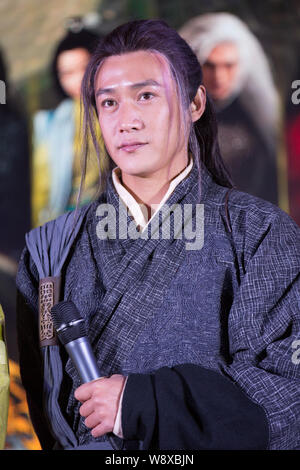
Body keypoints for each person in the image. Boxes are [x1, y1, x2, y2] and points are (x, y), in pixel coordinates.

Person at [16, 19, 300, 451]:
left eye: (146, 95)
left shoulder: (259, 233)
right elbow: (49, 406)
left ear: (195, 103)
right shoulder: (49, 253)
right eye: (108, 103)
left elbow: (286, 392)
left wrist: (142, 402)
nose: (126, 120)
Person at [179, 13, 286, 207]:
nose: (219, 77)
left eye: (228, 65)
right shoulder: (172, 118)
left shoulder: (259, 117)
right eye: (209, 65)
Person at [31, 20, 108, 227]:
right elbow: (42, 189)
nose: (77, 79)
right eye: (67, 73)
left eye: (84, 67)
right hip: (66, 222)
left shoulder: (116, 111)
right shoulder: (50, 123)